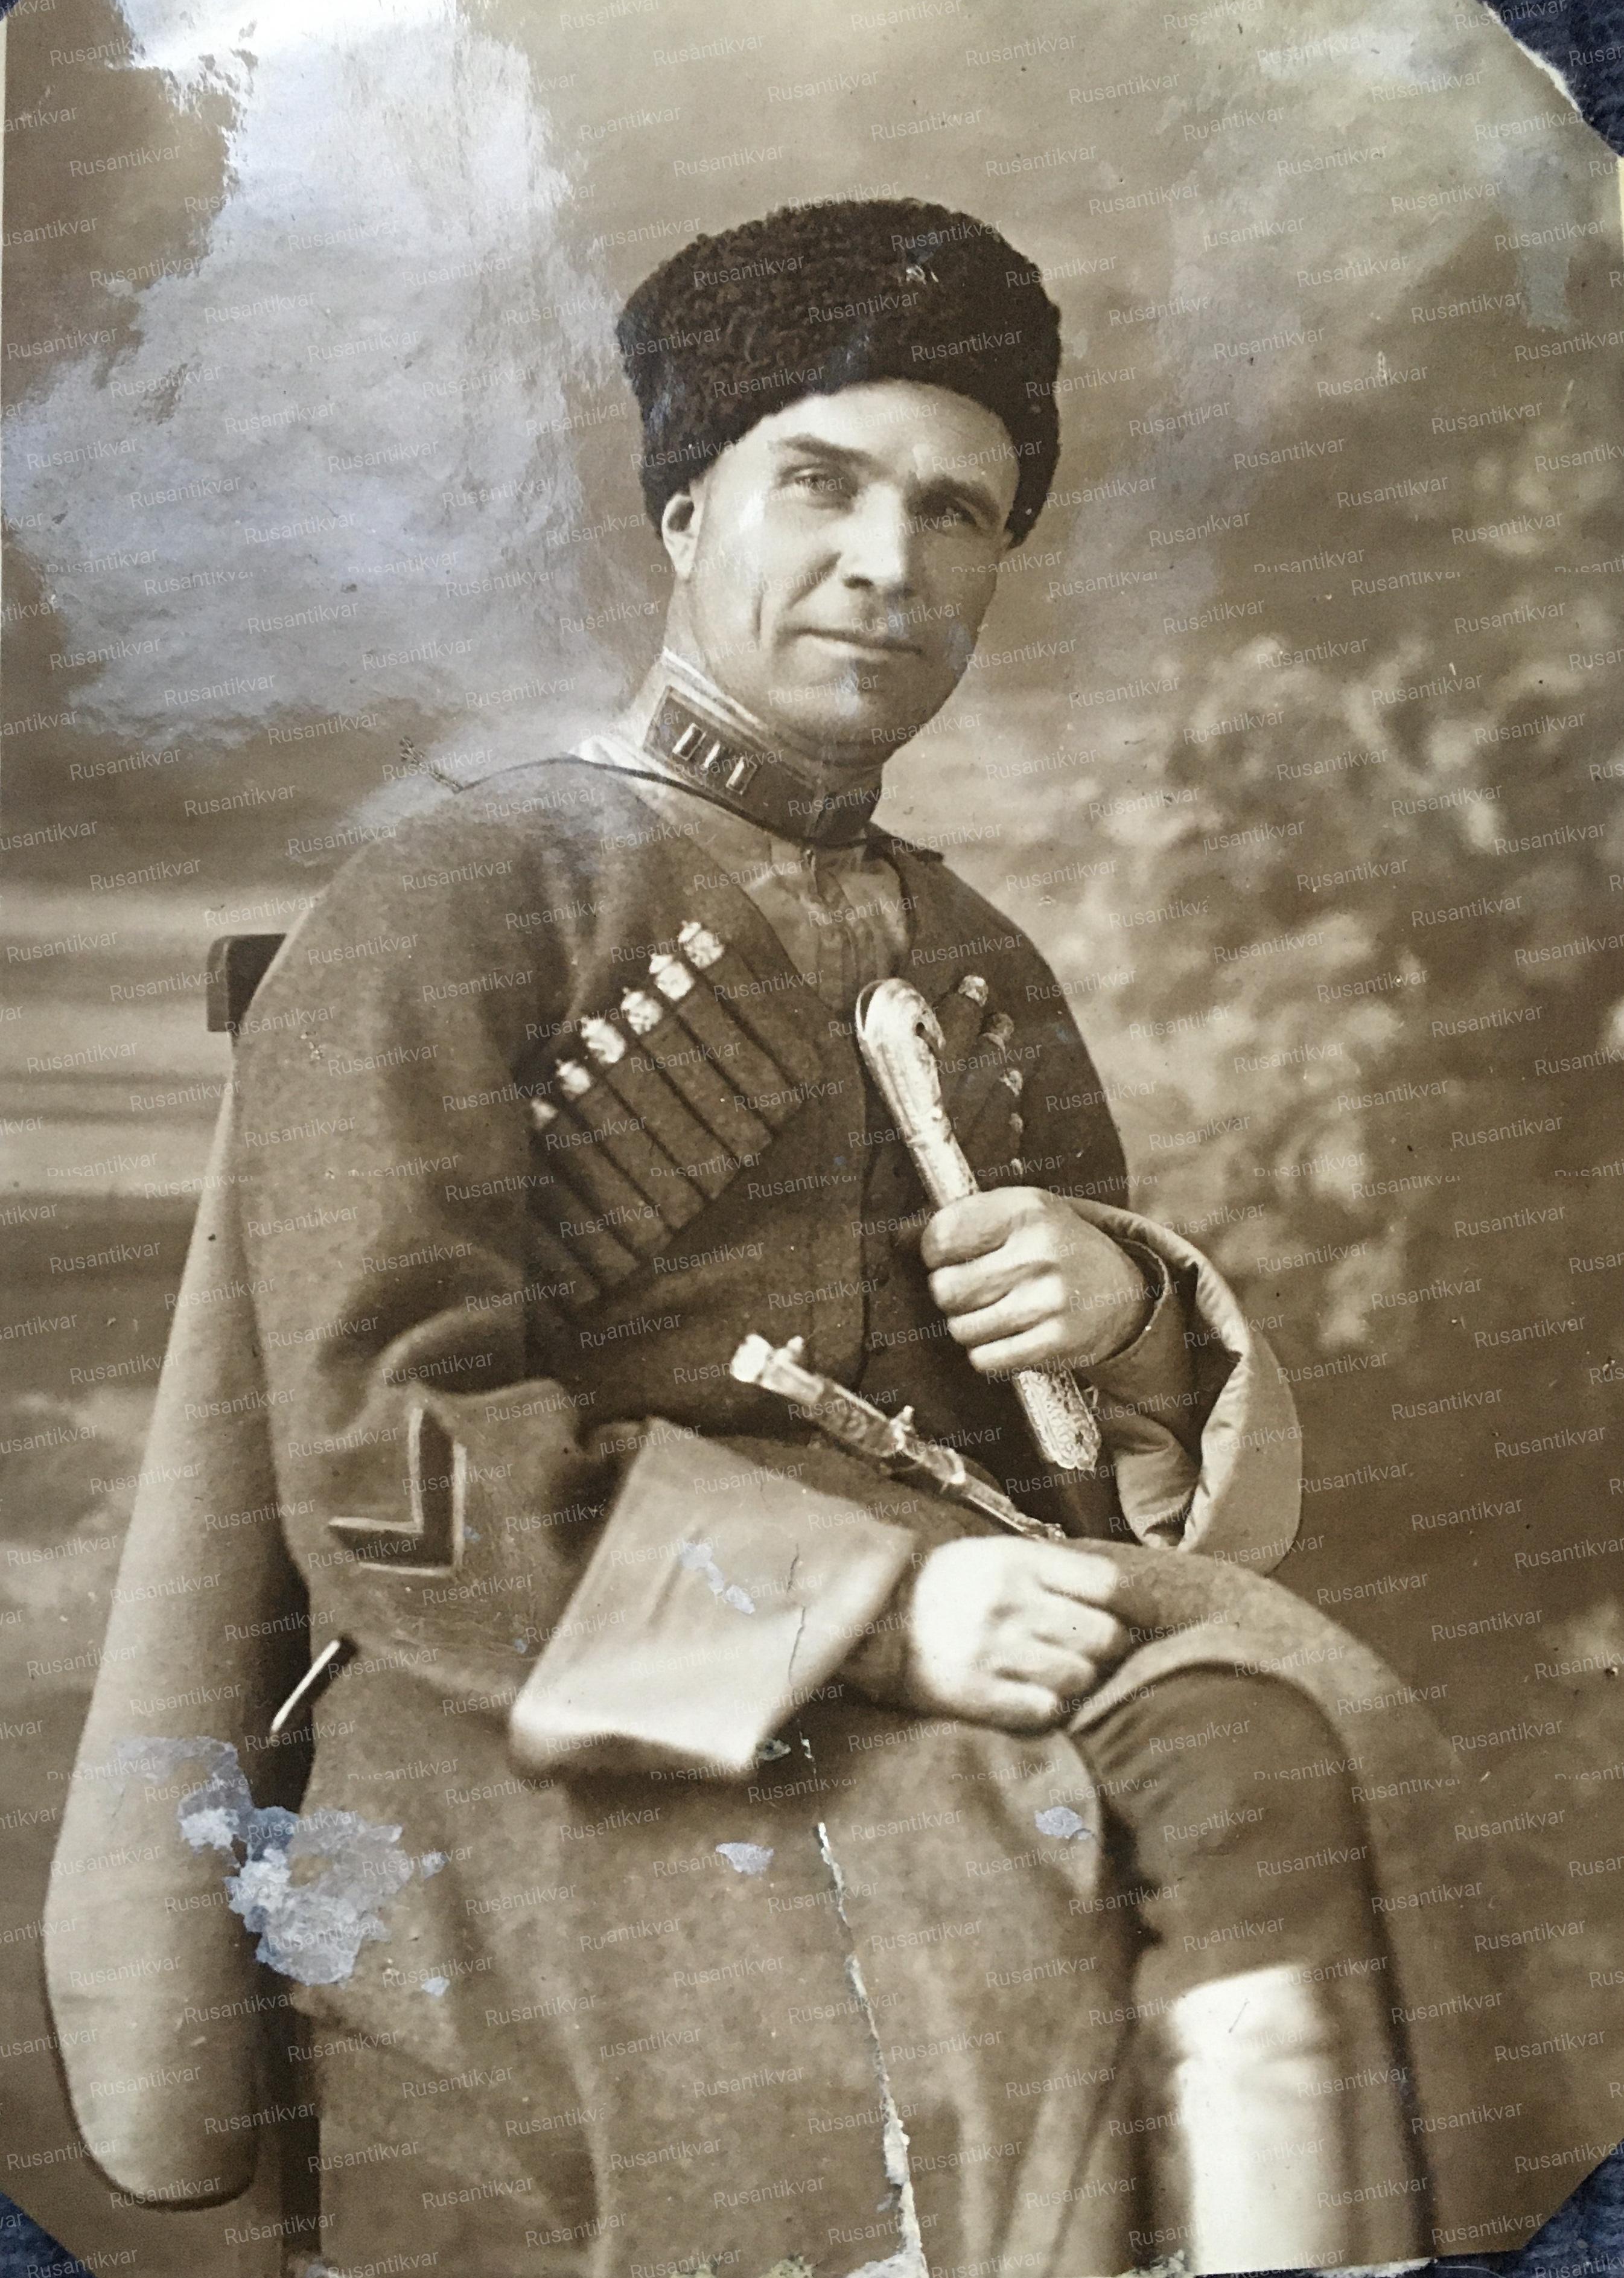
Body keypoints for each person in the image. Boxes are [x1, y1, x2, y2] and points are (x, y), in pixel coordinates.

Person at [50, 199, 1505, 2278]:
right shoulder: (461, 900)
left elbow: (1064, 1475)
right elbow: (391, 1468)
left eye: (955, 512)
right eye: (818, 482)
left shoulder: (976, 956)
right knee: (1007, 1963)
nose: (886, 562)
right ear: (685, 514)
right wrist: (877, 1616)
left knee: (1285, 1752)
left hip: (955, 1644)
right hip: (534, 1691)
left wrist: (1131, 1317)